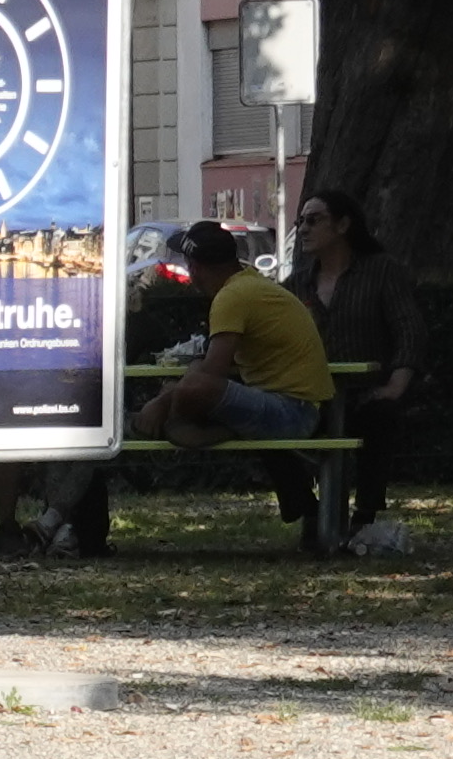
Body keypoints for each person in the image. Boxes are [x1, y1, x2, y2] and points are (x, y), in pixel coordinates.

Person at [137, 220, 335, 531]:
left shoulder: (232, 297)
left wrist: (161, 403)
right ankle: (229, 429)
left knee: (193, 388)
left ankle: (220, 429)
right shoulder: (250, 285)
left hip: (293, 412)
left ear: (195, 266)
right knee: (191, 380)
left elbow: (210, 376)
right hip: (300, 406)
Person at [291, 188, 424, 554]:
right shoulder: (297, 282)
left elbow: (408, 327)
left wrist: (396, 384)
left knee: (379, 418)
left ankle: (365, 516)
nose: (303, 228)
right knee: (268, 427)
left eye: (314, 220)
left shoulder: (381, 271)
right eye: (300, 221)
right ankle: (310, 511)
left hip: (365, 392)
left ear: (343, 225)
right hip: (311, 396)